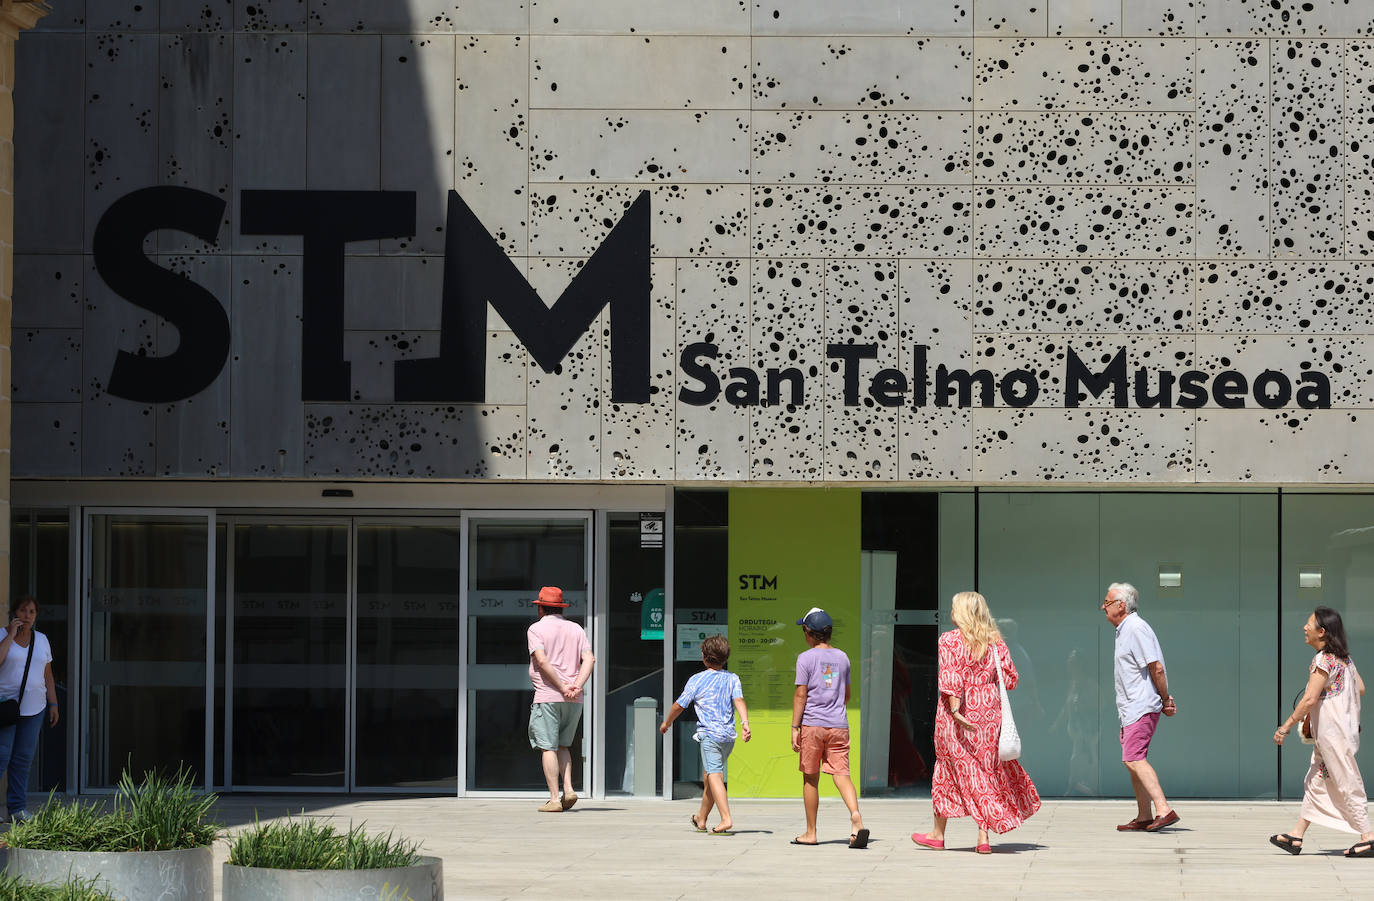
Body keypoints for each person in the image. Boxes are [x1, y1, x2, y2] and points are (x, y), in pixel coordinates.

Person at [911, 591, 1040, 854]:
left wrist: (957, 711)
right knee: (985, 770)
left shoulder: (949, 640)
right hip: (990, 713)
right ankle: (983, 837)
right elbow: (1011, 679)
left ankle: (938, 834)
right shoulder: (995, 642)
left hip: (957, 714)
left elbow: (951, 679)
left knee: (949, 768)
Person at [1270, 606, 1372, 857]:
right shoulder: (1344, 659)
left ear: (1322, 632)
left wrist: (1286, 726)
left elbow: (1309, 699)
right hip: (1339, 733)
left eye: (1309, 624)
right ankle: (1296, 835)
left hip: (1332, 734)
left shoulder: (1323, 659)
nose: (1304, 628)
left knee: (1347, 781)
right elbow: (1359, 688)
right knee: (1315, 781)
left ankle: (1369, 836)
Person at [790, 607, 868, 849]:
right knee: (842, 774)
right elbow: (846, 695)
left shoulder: (805, 658)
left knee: (810, 779)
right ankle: (856, 816)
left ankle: (811, 832)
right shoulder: (843, 657)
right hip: (838, 725)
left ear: (808, 632)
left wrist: (795, 727)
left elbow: (801, 694)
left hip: (813, 725)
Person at [1103, 581, 1179, 832]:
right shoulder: (1124, 629)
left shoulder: (1136, 628)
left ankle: (1163, 808)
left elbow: (1155, 666)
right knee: (1131, 759)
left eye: (1107, 602)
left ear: (1121, 605)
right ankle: (1145, 815)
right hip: (1130, 708)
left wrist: (1165, 698)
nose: (1103, 606)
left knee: (1135, 758)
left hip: (1141, 705)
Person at [659, 635, 751, 834]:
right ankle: (701, 818)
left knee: (714, 775)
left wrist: (667, 722)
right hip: (728, 737)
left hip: (710, 736)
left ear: (703, 656)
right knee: (710, 775)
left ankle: (726, 818)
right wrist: (745, 723)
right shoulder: (732, 678)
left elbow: (679, 705)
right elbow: (740, 701)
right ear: (726, 657)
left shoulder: (697, 679)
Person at [526, 586, 594, 813]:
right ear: (560, 607)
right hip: (574, 699)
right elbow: (589, 659)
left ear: (541, 608)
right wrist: (576, 686)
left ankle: (555, 799)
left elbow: (543, 662)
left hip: (548, 695)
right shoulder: (576, 629)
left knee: (548, 748)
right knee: (564, 745)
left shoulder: (536, 629)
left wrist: (562, 686)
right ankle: (569, 789)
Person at [0, 596, 58, 823]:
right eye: (23, 610)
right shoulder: (3, 635)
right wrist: (11, 635)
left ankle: (16, 809)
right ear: (14, 612)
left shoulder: (42, 640)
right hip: (6, 708)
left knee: (23, 759)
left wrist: (53, 704)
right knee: (2, 757)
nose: (27, 615)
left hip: (34, 709)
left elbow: (48, 675)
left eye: (32, 612)